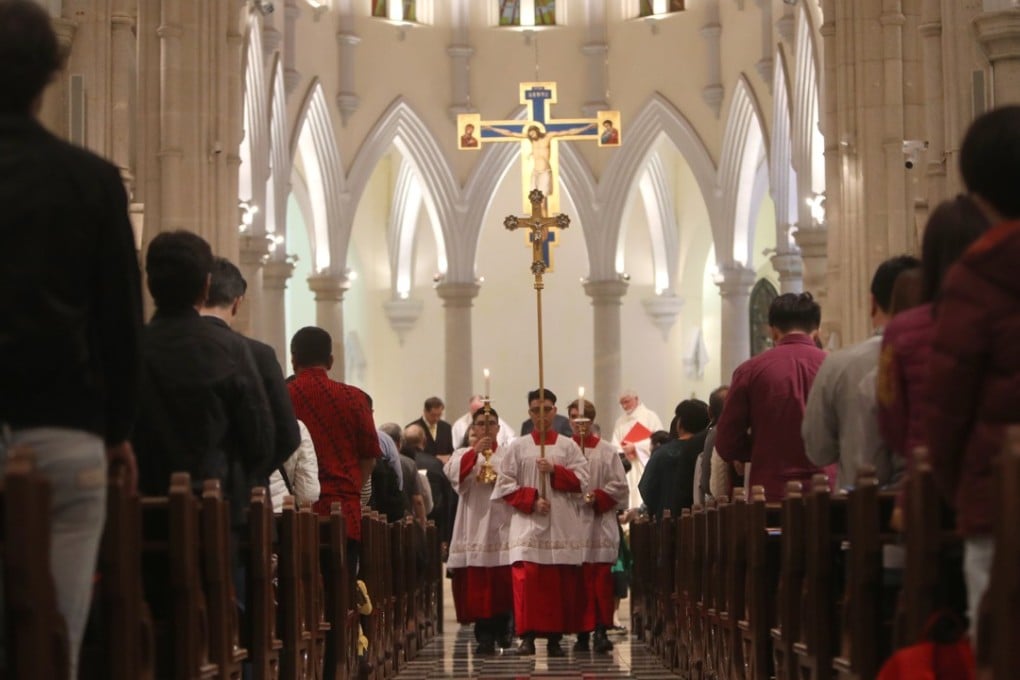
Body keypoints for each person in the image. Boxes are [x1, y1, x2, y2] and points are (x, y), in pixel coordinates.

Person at [0, 2, 142, 674]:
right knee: (55, 635)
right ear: (50, 74)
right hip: (63, 429)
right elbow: (119, 324)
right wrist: (115, 432)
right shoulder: (89, 179)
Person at [926, 106, 1020, 640]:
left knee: (1000, 644)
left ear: (978, 191)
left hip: (998, 504)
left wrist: (960, 491)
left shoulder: (975, 277)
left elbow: (946, 412)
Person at [802, 255, 921, 489]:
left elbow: (818, 451)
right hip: (934, 509)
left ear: (873, 303)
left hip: (858, 510)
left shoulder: (839, 365)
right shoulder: (947, 358)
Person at [493, 388, 589, 657]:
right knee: (528, 583)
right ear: (529, 413)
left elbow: (583, 481)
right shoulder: (518, 447)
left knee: (558, 585)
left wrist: (556, 471)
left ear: (554, 411)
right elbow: (504, 485)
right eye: (536, 410)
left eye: (547, 409)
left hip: (560, 524)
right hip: (528, 526)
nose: (542, 415)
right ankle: (527, 636)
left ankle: (556, 637)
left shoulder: (568, 446)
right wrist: (532, 500)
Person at [716, 292, 832, 501]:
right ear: (816, 332)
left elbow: (726, 442)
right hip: (828, 489)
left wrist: (761, 447)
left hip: (772, 491)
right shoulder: (835, 366)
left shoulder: (750, 371)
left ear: (773, 332)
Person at [287, 326, 380, 576]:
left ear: (293, 359)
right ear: (330, 360)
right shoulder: (355, 398)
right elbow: (369, 457)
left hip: (293, 516)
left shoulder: (283, 397)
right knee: (341, 591)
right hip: (345, 512)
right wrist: (350, 490)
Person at [200, 257, 301, 481]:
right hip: (237, 502)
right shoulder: (258, 354)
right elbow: (287, 435)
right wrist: (247, 477)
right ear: (237, 302)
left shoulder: (157, 345)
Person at [444, 406, 514, 655]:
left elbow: (519, 482)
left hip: (502, 526)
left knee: (503, 582)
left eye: (490, 423)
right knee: (480, 586)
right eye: (480, 423)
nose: (486, 427)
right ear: (472, 428)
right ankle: (484, 635)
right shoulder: (463, 453)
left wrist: (501, 479)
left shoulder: (508, 454)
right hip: (474, 523)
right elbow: (454, 478)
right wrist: (474, 453)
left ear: (498, 427)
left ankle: (504, 627)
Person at [567, 399, 628, 654]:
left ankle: (601, 629)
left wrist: (596, 497)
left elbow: (620, 487)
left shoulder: (607, 451)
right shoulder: (563, 449)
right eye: (572, 417)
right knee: (577, 581)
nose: (577, 423)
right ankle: (581, 632)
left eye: (582, 418)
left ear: (591, 421)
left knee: (601, 580)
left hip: (599, 523)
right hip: (570, 524)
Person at [638, 400, 711, 519]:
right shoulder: (707, 450)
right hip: (703, 520)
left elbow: (646, 489)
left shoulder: (661, 453)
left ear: (679, 424)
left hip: (667, 519)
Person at [483, 122, 596, 198]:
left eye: (533, 133)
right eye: (530, 134)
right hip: (535, 172)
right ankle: (538, 222)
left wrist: (587, 127)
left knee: (542, 199)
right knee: (534, 199)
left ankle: (542, 225)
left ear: (537, 131)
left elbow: (569, 131)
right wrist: (491, 128)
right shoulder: (531, 140)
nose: (532, 136)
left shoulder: (548, 137)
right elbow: (510, 133)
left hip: (545, 172)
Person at [405, 423, 455, 549]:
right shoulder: (436, 464)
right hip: (434, 525)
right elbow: (447, 498)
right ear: (424, 440)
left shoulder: (401, 464)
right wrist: (446, 535)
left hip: (404, 522)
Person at [611, 390, 664, 510]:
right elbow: (614, 444)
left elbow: (660, 440)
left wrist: (636, 447)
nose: (624, 406)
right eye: (621, 403)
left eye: (627, 402)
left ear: (636, 399)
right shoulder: (620, 421)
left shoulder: (650, 417)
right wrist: (624, 450)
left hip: (644, 464)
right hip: (628, 466)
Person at [269, 420, 320, 511]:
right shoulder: (297, 429)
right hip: (282, 515)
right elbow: (308, 495)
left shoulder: (236, 429)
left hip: (240, 516)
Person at [451, 395, 516, 448]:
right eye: (480, 424)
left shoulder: (497, 421)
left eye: (481, 411)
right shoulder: (459, 424)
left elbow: (512, 440)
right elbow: (456, 446)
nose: (485, 428)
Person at [407, 396, 454, 460]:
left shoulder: (446, 427)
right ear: (425, 411)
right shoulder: (412, 429)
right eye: (433, 415)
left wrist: (449, 457)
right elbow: (410, 453)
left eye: (439, 415)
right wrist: (435, 458)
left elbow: (450, 450)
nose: (436, 418)